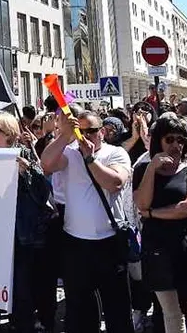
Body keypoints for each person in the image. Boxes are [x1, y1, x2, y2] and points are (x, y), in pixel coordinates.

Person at [41, 111, 134, 333]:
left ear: (102, 132)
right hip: (76, 243)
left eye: (91, 131)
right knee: (80, 310)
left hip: (109, 242)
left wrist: (90, 159)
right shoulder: (70, 154)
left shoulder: (116, 153)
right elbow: (46, 164)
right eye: (79, 131)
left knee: (117, 309)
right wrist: (64, 136)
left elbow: (114, 183)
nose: (85, 136)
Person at [133, 117, 187, 333]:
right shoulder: (143, 170)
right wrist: (152, 168)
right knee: (171, 312)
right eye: (170, 139)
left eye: (181, 140)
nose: (176, 145)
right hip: (158, 249)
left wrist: (152, 214)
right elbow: (141, 202)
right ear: (159, 141)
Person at [0, 111, 56, 333]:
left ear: (9, 134)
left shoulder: (24, 155)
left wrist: (26, 172)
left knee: (21, 291)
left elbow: (43, 193)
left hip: (19, 236)